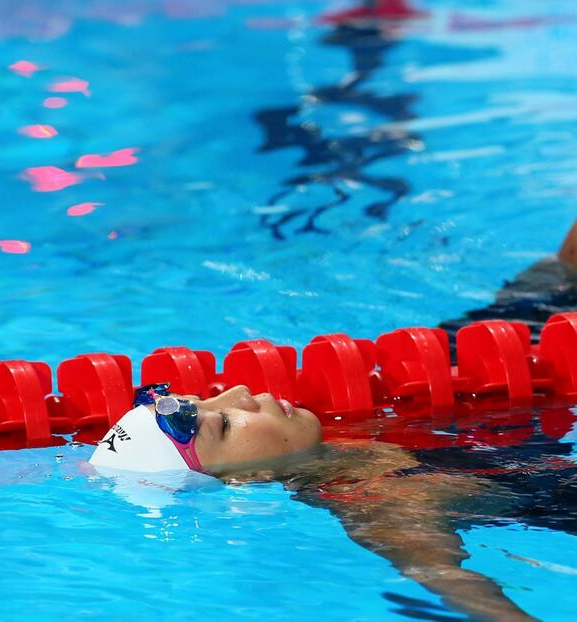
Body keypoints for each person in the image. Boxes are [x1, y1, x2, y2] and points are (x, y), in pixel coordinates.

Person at [90, 220, 577, 622]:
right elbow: (460, 588)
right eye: (226, 425)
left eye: (214, 398)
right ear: (247, 478)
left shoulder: (374, 407)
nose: (241, 392)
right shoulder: (379, 503)